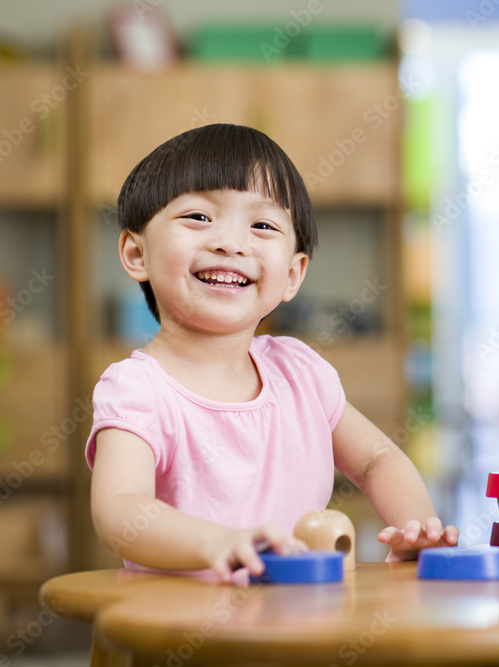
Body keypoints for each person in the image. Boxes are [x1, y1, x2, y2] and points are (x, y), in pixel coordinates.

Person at [86, 124, 457, 582]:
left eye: (262, 225)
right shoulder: (137, 389)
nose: (230, 242)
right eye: (199, 217)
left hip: (298, 624)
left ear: (292, 275)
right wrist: (216, 543)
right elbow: (121, 512)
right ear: (136, 253)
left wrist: (416, 528)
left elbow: (375, 459)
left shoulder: (300, 372)